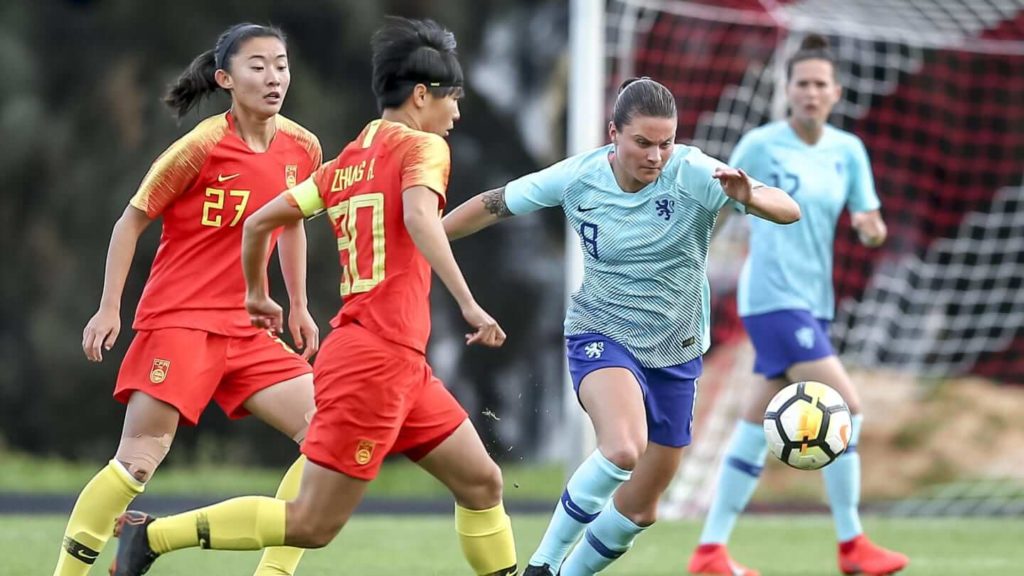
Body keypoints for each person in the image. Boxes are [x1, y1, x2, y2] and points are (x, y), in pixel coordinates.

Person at [106, 17, 518, 576]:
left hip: (397, 360)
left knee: (481, 480)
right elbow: (423, 218)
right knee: (310, 524)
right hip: (376, 360)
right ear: (422, 96)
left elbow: (259, 222)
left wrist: (257, 293)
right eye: (453, 100)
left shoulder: (351, 157)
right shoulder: (423, 148)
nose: (457, 114)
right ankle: (153, 537)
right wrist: (468, 303)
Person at [443, 77, 800, 576]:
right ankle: (542, 566)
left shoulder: (694, 171)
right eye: (643, 142)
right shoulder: (578, 178)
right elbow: (493, 204)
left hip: (677, 350)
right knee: (622, 448)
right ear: (614, 133)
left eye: (665, 143)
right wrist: (427, 239)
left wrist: (753, 199)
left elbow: (789, 209)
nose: (656, 156)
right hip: (601, 334)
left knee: (641, 508)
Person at [52, 23, 323, 576]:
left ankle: (274, 573)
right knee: (137, 463)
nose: (274, 78)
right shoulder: (199, 146)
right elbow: (130, 222)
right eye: (258, 66)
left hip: (249, 326)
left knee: (327, 436)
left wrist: (297, 303)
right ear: (225, 78)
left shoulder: (304, 147)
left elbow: (293, 222)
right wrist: (110, 307)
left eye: (282, 65)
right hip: (179, 322)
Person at [686, 35, 908, 576]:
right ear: (788, 90)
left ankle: (709, 551)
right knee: (845, 405)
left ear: (836, 92)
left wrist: (872, 228)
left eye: (819, 84)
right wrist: (689, 261)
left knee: (751, 423)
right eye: (801, 83)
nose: (810, 92)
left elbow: (869, 221)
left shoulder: (848, 152)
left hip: (815, 300)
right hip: (772, 298)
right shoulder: (761, 145)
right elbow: (719, 205)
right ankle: (852, 544)